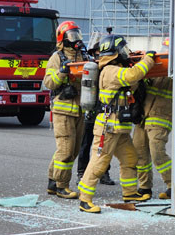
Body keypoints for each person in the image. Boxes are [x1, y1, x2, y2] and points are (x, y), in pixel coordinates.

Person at [77, 35, 155, 213]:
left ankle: (130, 193)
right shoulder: (110, 70)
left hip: (119, 128)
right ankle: (85, 199)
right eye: (123, 50)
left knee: (130, 158)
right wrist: (148, 59)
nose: (125, 53)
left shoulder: (116, 70)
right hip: (108, 127)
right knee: (99, 162)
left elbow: (132, 82)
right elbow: (133, 75)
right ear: (115, 53)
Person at [44, 21, 86, 200]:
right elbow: (48, 82)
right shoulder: (57, 57)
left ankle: (52, 182)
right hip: (63, 111)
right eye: (72, 35)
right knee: (65, 150)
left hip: (80, 110)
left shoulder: (83, 55)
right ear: (63, 39)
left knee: (73, 150)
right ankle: (62, 186)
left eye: (77, 35)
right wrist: (62, 72)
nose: (76, 39)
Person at [76, 34, 114, 186]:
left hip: (104, 111)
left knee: (104, 145)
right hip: (91, 111)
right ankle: (81, 173)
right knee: (86, 144)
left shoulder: (109, 67)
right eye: (96, 53)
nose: (99, 56)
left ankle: (104, 173)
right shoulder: (90, 67)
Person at [133, 76, 173, 200]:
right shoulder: (154, 71)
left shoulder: (174, 72)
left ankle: (174, 185)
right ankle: (145, 187)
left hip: (161, 117)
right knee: (139, 152)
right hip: (143, 116)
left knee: (157, 153)